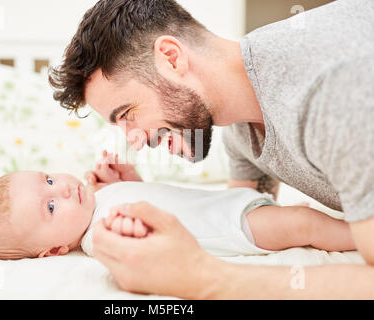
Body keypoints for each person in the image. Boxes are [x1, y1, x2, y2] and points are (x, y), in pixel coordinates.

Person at [49, 0, 374, 298]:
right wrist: (142, 201)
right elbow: (236, 221)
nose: (134, 140)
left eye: (127, 114)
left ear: (171, 58)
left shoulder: (326, 89)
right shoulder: (241, 126)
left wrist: (203, 277)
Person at [0, 151, 354, 260]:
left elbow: (159, 201)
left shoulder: (98, 204)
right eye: (51, 208)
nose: (61, 190)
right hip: (233, 230)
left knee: (306, 214)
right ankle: (360, 238)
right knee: (305, 222)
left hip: (224, 204)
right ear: (57, 249)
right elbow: (151, 236)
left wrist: (130, 180)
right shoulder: (99, 238)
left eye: (49, 180)